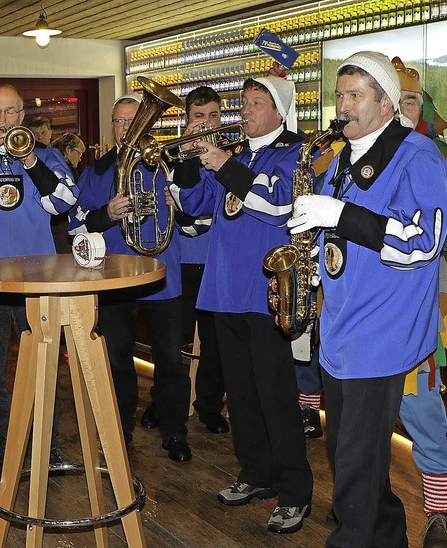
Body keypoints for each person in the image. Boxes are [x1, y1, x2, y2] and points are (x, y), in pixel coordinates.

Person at [287, 51, 447, 547]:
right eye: (340, 94)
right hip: (341, 331)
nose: (343, 106)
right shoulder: (342, 158)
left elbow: (423, 243)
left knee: (354, 472)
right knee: (358, 463)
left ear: (387, 103)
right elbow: (341, 240)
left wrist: (338, 214)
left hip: (382, 335)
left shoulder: (418, 156)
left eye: (356, 95)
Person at [168, 75, 313, 533]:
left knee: (276, 396)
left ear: (279, 110)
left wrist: (223, 162)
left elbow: (277, 205)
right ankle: (255, 472)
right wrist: (191, 160)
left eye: (255, 102)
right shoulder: (239, 155)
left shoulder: (295, 152)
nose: (244, 110)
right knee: (242, 394)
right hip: (224, 291)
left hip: (267, 293)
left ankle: (295, 491)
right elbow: (195, 206)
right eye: (244, 102)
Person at [68, 93, 192, 462]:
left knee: (170, 360)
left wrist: (179, 207)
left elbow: (195, 219)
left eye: (134, 120)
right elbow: (75, 225)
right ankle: (119, 427)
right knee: (117, 360)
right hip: (114, 280)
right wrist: (106, 213)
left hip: (162, 276)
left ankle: (174, 429)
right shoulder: (97, 172)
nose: (126, 129)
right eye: (120, 122)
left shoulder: (169, 164)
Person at [0, 84, 78, 474]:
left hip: (35, 279)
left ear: (22, 115)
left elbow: (63, 202)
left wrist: (29, 159)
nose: (4, 120)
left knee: (44, 365)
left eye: (11, 112)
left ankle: (48, 444)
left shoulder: (46, 156)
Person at [393, 56, 447, 548]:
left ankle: (440, 509)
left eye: (412, 99)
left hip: (437, 305)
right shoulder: (362, 153)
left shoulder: (438, 157)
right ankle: (438, 510)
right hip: (393, 311)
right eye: (399, 98)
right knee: (419, 403)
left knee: (424, 400)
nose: (405, 107)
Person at [172, 85, 228, 435]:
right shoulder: (175, 157)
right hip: (180, 261)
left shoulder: (232, 156)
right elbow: (185, 216)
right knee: (171, 340)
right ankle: (169, 406)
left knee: (215, 341)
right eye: (198, 117)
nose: (206, 123)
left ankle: (209, 406)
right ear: (187, 120)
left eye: (213, 116)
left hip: (216, 261)